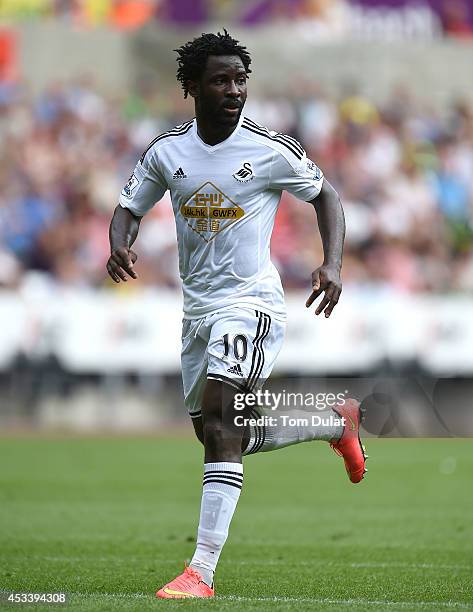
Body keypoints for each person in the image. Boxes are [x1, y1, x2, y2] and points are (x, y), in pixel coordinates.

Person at [106, 30, 367, 599]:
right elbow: (128, 207)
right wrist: (119, 243)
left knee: (223, 420)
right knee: (221, 432)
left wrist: (334, 263)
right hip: (197, 309)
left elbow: (328, 197)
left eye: (240, 80)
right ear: (192, 87)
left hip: (250, 304)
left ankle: (200, 571)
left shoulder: (269, 148)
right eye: (221, 81)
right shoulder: (166, 152)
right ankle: (331, 420)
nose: (234, 90)